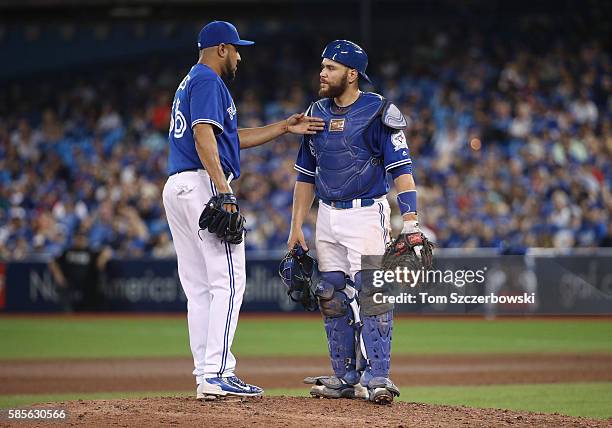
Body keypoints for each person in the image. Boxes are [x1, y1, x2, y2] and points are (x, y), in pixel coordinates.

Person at [162, 21, 323, 400]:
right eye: (235, 49)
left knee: (201, 289)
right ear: (220, 49)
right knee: (230, 282)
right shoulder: (207, 81)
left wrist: (284, 127)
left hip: (179, 185)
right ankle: (218, 373)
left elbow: (229, 138)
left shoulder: (192, 81)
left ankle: (206, 374)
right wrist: (223, 190)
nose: (239, 55)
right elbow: (204, 136)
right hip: (203, 181)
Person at [287, 40, 424, 404]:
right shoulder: (315, 112)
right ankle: (344, 376)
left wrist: (410, 221)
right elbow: (305, 176)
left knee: (372, 292)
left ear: (352, 73)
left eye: (330, 67)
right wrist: (296, 225)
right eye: (322, 66)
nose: (322, 73)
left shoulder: (380, 110)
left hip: (367, 212)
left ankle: (378, 376)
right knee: (330, 293)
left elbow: (402, 171)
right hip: (327, 215)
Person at [48, 231, 112, 311]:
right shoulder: (68, 252)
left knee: (98, 293)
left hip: (88, 284)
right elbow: (53, 261)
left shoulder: (90, 252)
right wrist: (58, 275)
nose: (80, 241)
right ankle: (67, 315)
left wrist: (101, 261)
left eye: (82, 239)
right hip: (69, 283)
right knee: (64, 293)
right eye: (78, 239)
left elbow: (107, 251)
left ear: (86, 240)